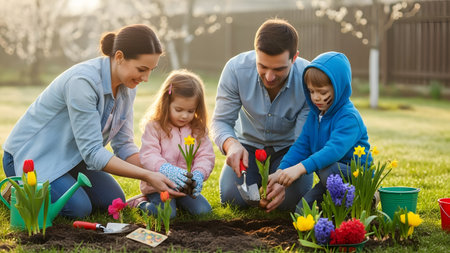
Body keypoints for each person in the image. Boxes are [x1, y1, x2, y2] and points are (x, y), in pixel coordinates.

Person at [2, 24, 185, 218]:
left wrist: (164, 169)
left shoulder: (128, 86)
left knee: (113, 200)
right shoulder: (83, 82)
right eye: (142, 69)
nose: (146, 78)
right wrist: (148, 175)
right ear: (120, 57)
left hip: (72, 157)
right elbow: (92, 153)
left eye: (151, 70)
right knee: (78, 209)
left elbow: (124, 145)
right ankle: (15, 193)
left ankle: (57, 183)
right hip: (31, 157)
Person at [211, 18, 313, 212]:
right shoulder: (235, 70)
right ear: (255, 53)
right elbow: (220, 121)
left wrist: (285, 175)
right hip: (247, 147)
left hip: (290, 149)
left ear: (294, 57)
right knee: (233, 199)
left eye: (279, 69)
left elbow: (303, 140)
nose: (269, 76)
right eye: (262, 66)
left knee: (289, 203)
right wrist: (231, 145)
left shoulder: (307, 78)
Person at [269, 51, 372, 213]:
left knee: (327, 168)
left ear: (339, 88)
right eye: (311, 91)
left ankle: (363, 201)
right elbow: (302, 145)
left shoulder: (349, 117)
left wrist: (300, 168)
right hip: (329, 180)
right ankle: (336, 210)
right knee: (302, 213)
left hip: (354, 178)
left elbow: (333, 151)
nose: (316, 97)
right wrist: (281, 172)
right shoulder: (316, 115)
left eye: (322, 92)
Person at [127, 69, 215, 218]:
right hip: (158, 187)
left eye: (190, 110)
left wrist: (199, 174)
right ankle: (140, 203)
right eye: (179, 109)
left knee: (203, 212)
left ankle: (179, 203)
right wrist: (165, 169)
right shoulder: (155, 127)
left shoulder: (198, 129)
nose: (184, 115)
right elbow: (148, 155)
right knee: (167, 215)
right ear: (166, 103)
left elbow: (205, 156)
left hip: (184, 188)